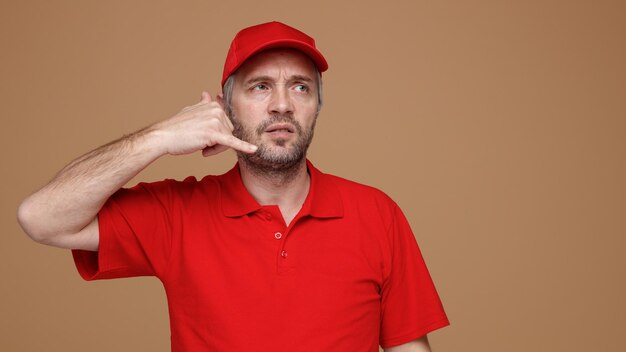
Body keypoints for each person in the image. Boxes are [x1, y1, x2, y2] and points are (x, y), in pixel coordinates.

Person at [17, 21, 449, 352]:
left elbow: (408, 346)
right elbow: (41, 218)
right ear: (225, 107)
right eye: (261, 86)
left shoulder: (376, 213)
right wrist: (158, 138)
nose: (282, 104)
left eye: (300, 87)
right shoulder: (178, 213)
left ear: (317, 106)